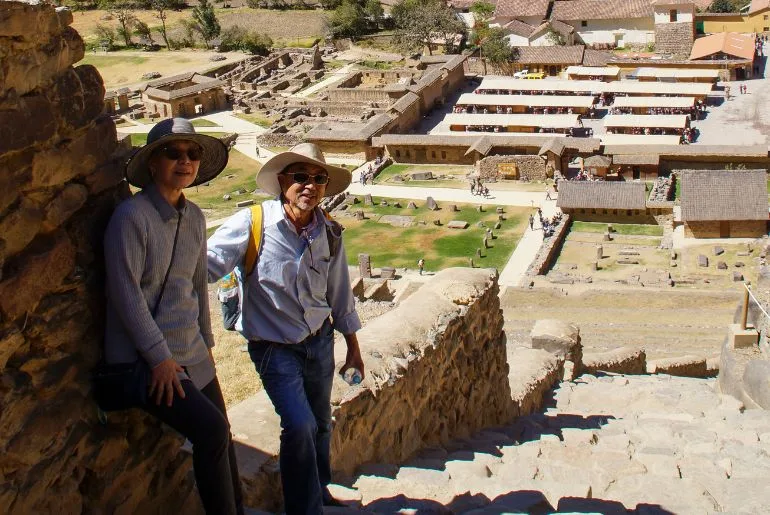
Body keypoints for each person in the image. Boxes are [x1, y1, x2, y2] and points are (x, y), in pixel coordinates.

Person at [207, 143, 364, 514]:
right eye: (300, 177)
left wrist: (352, 346)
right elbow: (206, 264)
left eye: (318, 178)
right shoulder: (251, 224)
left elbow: (339, 293)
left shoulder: (330, 232)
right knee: (299, 425)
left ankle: (319, 489)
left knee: (321, 424)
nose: (309, 185)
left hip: (319, 342)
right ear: (282, 181)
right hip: (274, 348)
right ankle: (304, 508)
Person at [103, 118, 244, 515]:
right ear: (152, 163)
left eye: (192, 153)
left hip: (190, 353)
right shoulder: (132, 218)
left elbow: (197, 287)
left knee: (223, 434)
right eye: (173, 153)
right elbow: (125, 293)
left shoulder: (195, 217)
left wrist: (206, 346)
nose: (185, 161)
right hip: (148, 360)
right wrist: (159, 359)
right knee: (211, 430)